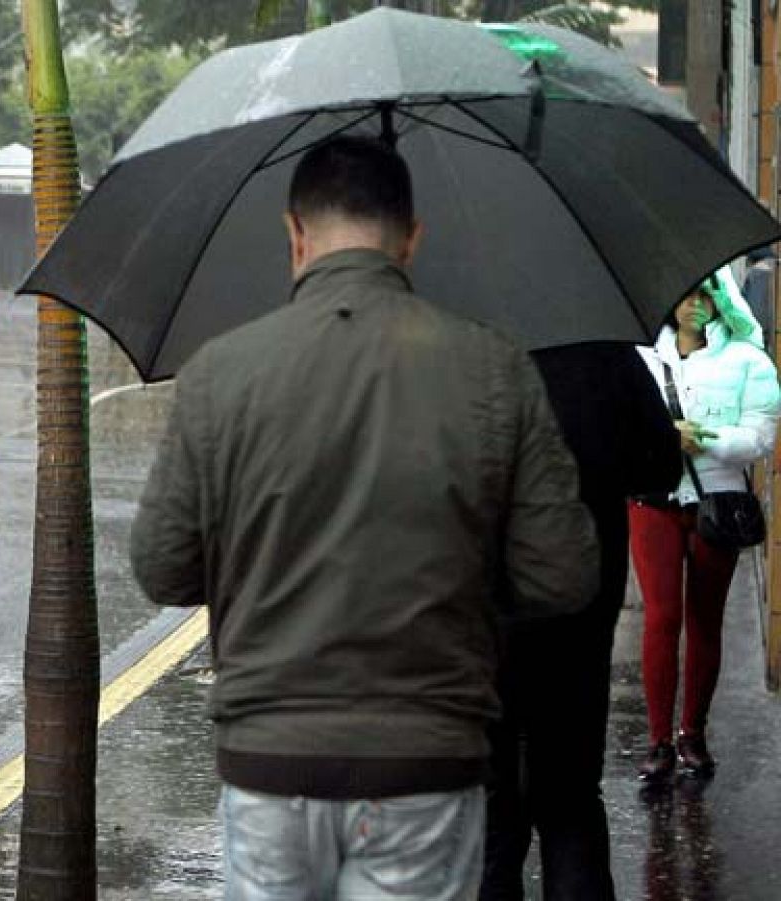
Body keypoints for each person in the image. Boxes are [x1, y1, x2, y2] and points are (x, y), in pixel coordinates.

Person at [129, 135, 598, 899]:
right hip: (428, 757)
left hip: (270, 759)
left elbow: (161, 565)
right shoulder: (494, 369)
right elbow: (565, 573)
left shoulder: (221, 372)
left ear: (294, 235)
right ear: (412, 240)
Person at [480, 343, 681, 901]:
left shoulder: (451, 356)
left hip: (482, 616)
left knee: (491, 804)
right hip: (581, 605)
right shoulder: (607, 356)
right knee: (569, 798)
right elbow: (661, 463)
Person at [630, 271, 780, 782]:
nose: (694, 304)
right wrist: (661, 436)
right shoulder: (642, 357)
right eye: (686, 294)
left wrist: (706, 440)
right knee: (661, 618)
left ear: (721, 302)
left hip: (719, 501)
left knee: (704, 620)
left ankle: (692, 732)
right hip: (654, 499)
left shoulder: (748, 360)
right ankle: (657, 742)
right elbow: (622, 420)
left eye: (706, 295)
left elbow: (760, 437)